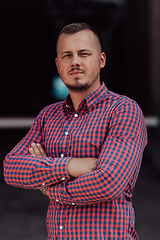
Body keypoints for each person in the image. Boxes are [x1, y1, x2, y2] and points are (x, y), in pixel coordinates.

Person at [3, 23, 147, 240]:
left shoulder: (123, 110)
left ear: (101, 60)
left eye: (84, 53)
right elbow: (11, 167)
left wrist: (49, 188)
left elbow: (108, 182)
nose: (75, 61)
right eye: (67, 55)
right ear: (58, 65)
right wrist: (71, 166)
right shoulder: (47, 116)